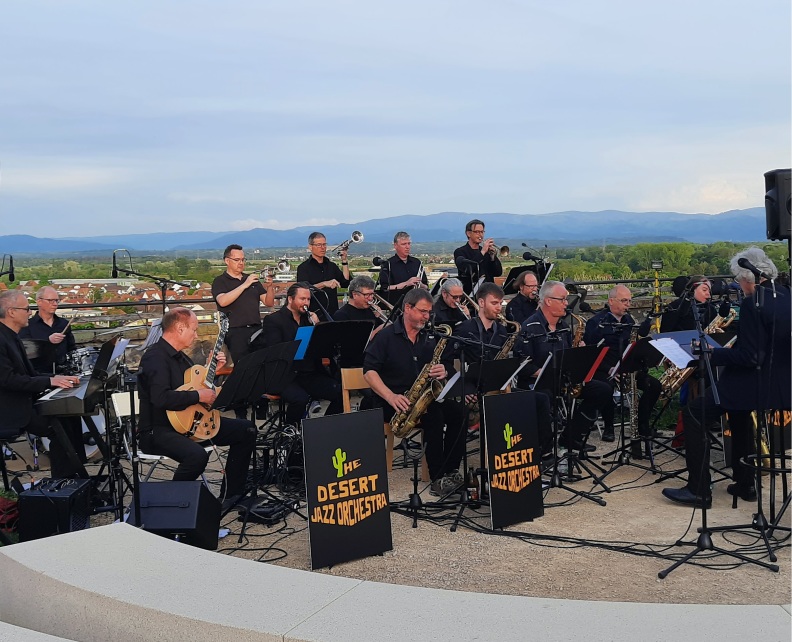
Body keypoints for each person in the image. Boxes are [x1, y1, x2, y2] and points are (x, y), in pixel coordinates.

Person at [662, 248, 791, 507]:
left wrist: (714, 354)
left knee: (695, 413)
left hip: (753, 383)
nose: (738, 285)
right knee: (738, 416)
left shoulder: (754, 303)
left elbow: (751, 358)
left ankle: (698, 489)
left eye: (738, 279)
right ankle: (746, 484)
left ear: (748, 277)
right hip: (780, 384)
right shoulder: (785, 296)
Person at [137, 307, 256, 507]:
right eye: (193, 329)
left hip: (189, 423)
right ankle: (172, 504)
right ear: (180, 328)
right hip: (158, 430)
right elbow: (160, 398)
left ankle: (231, 495)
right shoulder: (155, 358)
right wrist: (199, 395)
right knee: (196, 456)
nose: (196, 334)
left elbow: (193, 389)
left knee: (246, 430)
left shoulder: (181, 356)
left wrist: (213, 372)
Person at [363, 288, 466, 497]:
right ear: (407, 308)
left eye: (429, 312)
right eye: (423, 311)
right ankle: (437, 478)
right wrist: (391, 396)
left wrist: (444, 370)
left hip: (422, 397)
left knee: (460, 413)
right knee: (434, 416)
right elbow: (369, 372)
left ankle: (451, 469)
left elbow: (448, 364)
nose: (427, 317)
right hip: (391, 401)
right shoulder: (385, 336)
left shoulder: (430, 336)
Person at [514, 281, 612, 452]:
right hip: (538, 382)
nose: (567, 304)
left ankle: (571, 437)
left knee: (602, 389)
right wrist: (543, 373)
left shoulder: (564, 326)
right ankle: (545, 449)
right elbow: (521, 362)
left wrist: (579, 354)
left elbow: (567, 356)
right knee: (543, 398)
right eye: (563, 299)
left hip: (562, 380)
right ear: (548, 301)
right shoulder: (529, 327)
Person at [0, 290, 87, 479]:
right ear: (11, 311)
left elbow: (30, 374)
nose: (29, 313)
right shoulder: (2, 339)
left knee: (71, 416)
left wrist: (57, 377)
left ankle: (78, 478)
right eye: (26, 309)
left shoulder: (11, 336)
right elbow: (8, 380)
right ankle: (63, 484)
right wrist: (49, 381)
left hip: (23, 399)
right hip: (11, 408)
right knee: (58, 427)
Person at [583, 285, 662, 441]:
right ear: (611, 301)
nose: (628, 304)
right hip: (604, 367)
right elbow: (591, 353)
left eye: (630, 301)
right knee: (606, 386)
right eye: (624, 300)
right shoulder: (596, 322)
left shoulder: (629, 320)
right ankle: (609, 426)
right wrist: (609, 369)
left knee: (654, 385)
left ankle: (642, 426)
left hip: (626, 366)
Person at [260, 282, 343, 425]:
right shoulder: (273, 320)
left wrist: (317, 327)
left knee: (340, 392)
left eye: (308, 299)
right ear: (290, 299)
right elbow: (275, 350)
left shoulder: (309, 320)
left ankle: (324, 429)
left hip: (308, 373)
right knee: (300, 399)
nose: (306, 303)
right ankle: (290, 432)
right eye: (302, 299)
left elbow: (321, 347)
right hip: (285, 375)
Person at [211, 244, 276, 366]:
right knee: (243, 367)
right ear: (227, 261)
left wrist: (270, 286)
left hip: (256, 329)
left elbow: (269, 302)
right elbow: (222, 301)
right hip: (236, 331)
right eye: (237, 260)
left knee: (262, 365)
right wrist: (245, 285)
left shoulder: (251, 280)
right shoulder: (220, 281)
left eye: (243, 259)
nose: (241, 263)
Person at [19, 286, 76, 373]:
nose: (55, 304)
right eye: (50, 300)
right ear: (39, 301)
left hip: (65, 372)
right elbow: (26, 352)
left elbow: (72, 349)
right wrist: (47, 341)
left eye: (56, 300)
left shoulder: (64, 324)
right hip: (40, 375)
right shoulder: (27, 326)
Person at [296, 232, 350, 319]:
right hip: (314, 315)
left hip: (333, 314)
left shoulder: (331, 266)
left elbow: (345, 282)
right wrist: (324, 284)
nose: (322, 248)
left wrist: (344, 261)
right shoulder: (303, 268)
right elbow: (303, 291)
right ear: (310, 247)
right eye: (319, 245)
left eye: (324, 244)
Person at [377, 231, 428, 306]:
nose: (407, 247)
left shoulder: (417, 263)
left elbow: (426, 286)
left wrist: (421, 285)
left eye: (409, 243)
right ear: (395, 246)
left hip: (417, 304)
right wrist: (407, 283)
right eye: (404, 244)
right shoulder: (388, 264)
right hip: (397, 305)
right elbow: (385, 288)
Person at [453, 219, 503, 294]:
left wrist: (493, 258)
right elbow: (468, 269)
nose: (480, 235)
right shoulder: (460, 252)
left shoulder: (486, 252)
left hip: (488, 292)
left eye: (482, 232)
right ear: (468, 233)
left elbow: (498, 273)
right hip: (470, 292)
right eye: (477, 232)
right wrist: (482, 252)